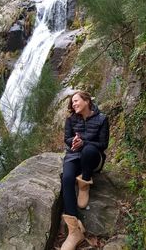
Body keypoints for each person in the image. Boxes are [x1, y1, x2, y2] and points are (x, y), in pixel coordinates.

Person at [61, 90, 109, 250]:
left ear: (87, 101)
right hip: (74, 156)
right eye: (72, 102)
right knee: (67, 178)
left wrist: (84, 142)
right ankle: (74, 230)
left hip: (93, 159)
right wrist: (73, 141)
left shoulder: (102, 119)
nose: (73, 104)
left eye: (76, 100)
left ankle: (84, 184)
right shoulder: (71, 119)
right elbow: (67, 138)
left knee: (88, 150)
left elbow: (103, 144)